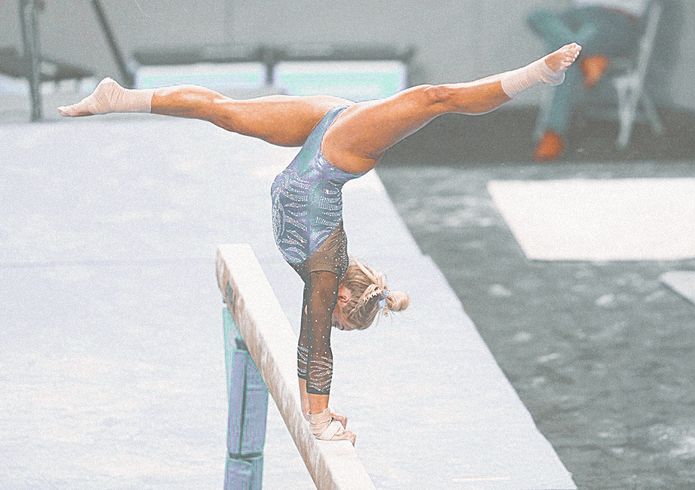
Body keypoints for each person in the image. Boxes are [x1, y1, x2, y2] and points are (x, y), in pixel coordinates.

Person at [57, 42, 581, 445]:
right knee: (432, 98)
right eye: (340, 316)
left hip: (322, 144)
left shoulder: (322, 267)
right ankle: (540, 73)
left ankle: (119, 98)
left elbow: (313, 341)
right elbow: (314, 344)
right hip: (337, 152)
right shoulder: (326, 268)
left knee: (225, 111)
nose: (328, 315)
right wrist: (318, 416)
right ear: (347, 300)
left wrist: (318, 408)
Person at [528, 0, 649, 161]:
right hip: (580, 16)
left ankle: (553, 134)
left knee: (568, 55)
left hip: (614, 18)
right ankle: (585, 59)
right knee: (537, 16)